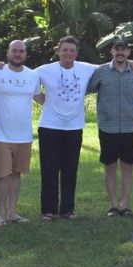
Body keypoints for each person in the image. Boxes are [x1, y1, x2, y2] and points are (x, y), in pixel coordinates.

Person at [34, 36, 97, 220]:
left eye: (72, 50)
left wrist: (131, 62)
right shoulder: (45, 70)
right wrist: (41, 99)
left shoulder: (85, 68)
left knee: (70, 169)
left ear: (77, 53)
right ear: (58, 51)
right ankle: (48, 210)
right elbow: (24, 75)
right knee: (49, 169)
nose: (68, 53)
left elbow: (108, 66)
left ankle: (67, 209)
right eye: (65, 50)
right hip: (49, 126)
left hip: (74, 127)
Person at [0, 40, 39, 225]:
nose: (18, 54)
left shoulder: (32, 75)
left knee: (16, 174)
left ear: (25, 54)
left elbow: (40, 97)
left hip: (24, 136)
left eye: (21, 51)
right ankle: (1, 215)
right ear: (7, 53)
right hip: (1, 136)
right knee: (2, 176)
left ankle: (13, 212)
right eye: (14, 50)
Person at [86, 39, 133, 217]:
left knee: (127, 166)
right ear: (112, 51)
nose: (120, 53)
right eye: (116, 49)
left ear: (128, 53)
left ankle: (124, 204)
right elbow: (87, 88)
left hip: (130, 127)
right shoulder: (101, 71)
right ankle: (112, 205)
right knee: (109, 166)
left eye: (123, 50)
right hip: (108, 127)